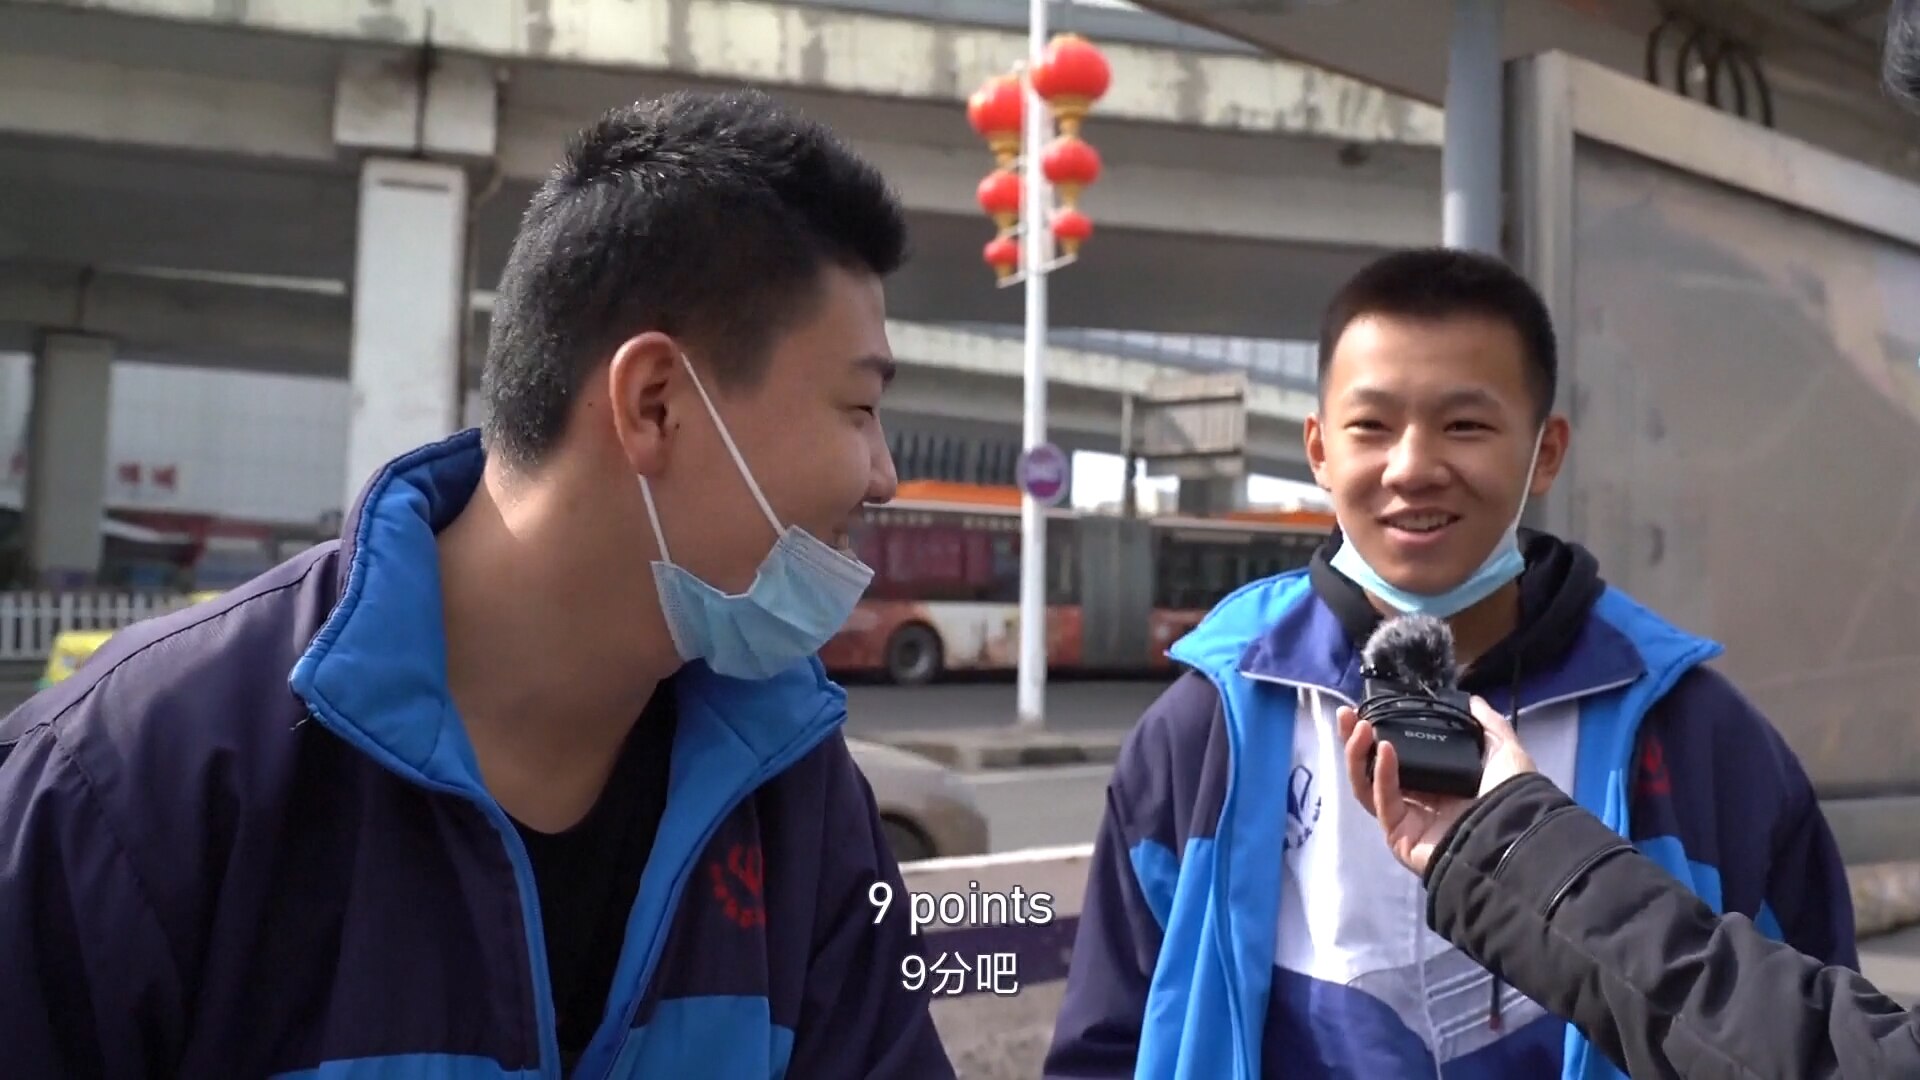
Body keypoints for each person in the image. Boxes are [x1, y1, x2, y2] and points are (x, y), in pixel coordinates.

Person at [0, 89, 953, 1079]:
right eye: (858, 408)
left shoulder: (796, 800)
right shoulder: (133, 789)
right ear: (657, 405)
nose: (881, 475)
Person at [1044, 248, 1855, 1080]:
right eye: (1372, 427)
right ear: (1319, 450)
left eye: (1465, 425)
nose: (1413, 468)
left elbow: (1803, 1031)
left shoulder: (1699, 737)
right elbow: (1108, 1042)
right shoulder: (1204, 729)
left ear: (1545, 452)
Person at [1338, 695, 1920, 1079]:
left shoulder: (1703, 720)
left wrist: (1510, 847)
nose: (1413, 496)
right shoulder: (1245, 687)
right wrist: (1508, 848)